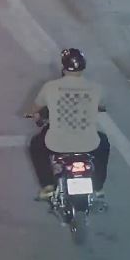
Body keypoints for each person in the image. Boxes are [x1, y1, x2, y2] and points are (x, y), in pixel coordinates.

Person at [25, 48, 109, 200]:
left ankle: (48, 186)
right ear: (83, 66)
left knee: (36, 144)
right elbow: (102, 105)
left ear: (63, 67)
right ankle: (98, 188)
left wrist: (33, 114)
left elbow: (34, 109)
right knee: (104, 144)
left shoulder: (50, 87)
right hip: (89, 143)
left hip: (56, 144)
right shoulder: (96, 88)